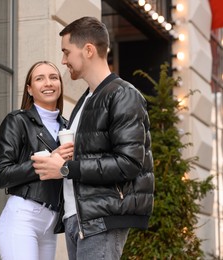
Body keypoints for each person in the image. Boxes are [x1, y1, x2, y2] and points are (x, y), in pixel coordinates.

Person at [31, 16, 154, 260]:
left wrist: (66, 169)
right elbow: (92, 155)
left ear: (88, 50)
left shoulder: (123, 95)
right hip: (78, 217)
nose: (63, 60)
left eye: (67, 52)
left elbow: (129, 164)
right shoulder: (86, 100)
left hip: (102, 218)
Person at [0, 61, 74, 260]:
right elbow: (1, 175)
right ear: (30, 89)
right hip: (23, 218)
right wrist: (46, 163)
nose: (48, 83)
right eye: (40, 78)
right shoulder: (17, 121)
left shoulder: (69, 127)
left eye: (53, 77)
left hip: (51, 223)